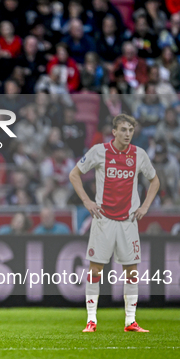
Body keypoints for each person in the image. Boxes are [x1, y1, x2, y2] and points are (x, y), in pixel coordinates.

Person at [69, 114, 160, 333]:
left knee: (131, 271)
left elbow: (155, 181)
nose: (128, 134)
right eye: (124, 130)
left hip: (128, 221)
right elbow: (74, 174)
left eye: (131, 130)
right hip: (104, 220)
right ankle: (91, 320)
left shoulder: (139, 155)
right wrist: (87, 201)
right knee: (95, 269)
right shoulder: (99, 151)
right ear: (114, 132)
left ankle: (130, 321)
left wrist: (145, 207)